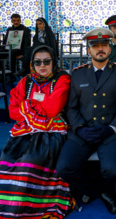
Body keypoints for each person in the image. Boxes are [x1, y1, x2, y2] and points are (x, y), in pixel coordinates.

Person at [56, 28, 116, 214]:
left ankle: (95, 190)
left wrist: (113, 128)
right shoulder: (78, 73)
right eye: (95, 46)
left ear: (110, 48)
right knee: (64, 168)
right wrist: (79, 128)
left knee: (113, 170)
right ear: (88, 50)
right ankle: (102, 192)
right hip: (84, 130)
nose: (100, 49)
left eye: (104, 45)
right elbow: (71, 107)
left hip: (109, 131)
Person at [0, 45, 73, 218]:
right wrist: (41, 103)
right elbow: (12, 111)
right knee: (7, 157)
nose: (42, 65)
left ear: (53, 62)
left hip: (51, 133)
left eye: (47, 61)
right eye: (38, 62)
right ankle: (11, 205)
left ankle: (27, 206)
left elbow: (54, 109)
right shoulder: (26, 81)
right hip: (25, 131)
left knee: (31, 160)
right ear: (32, 64)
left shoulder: (62, 79)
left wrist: (28, 103)